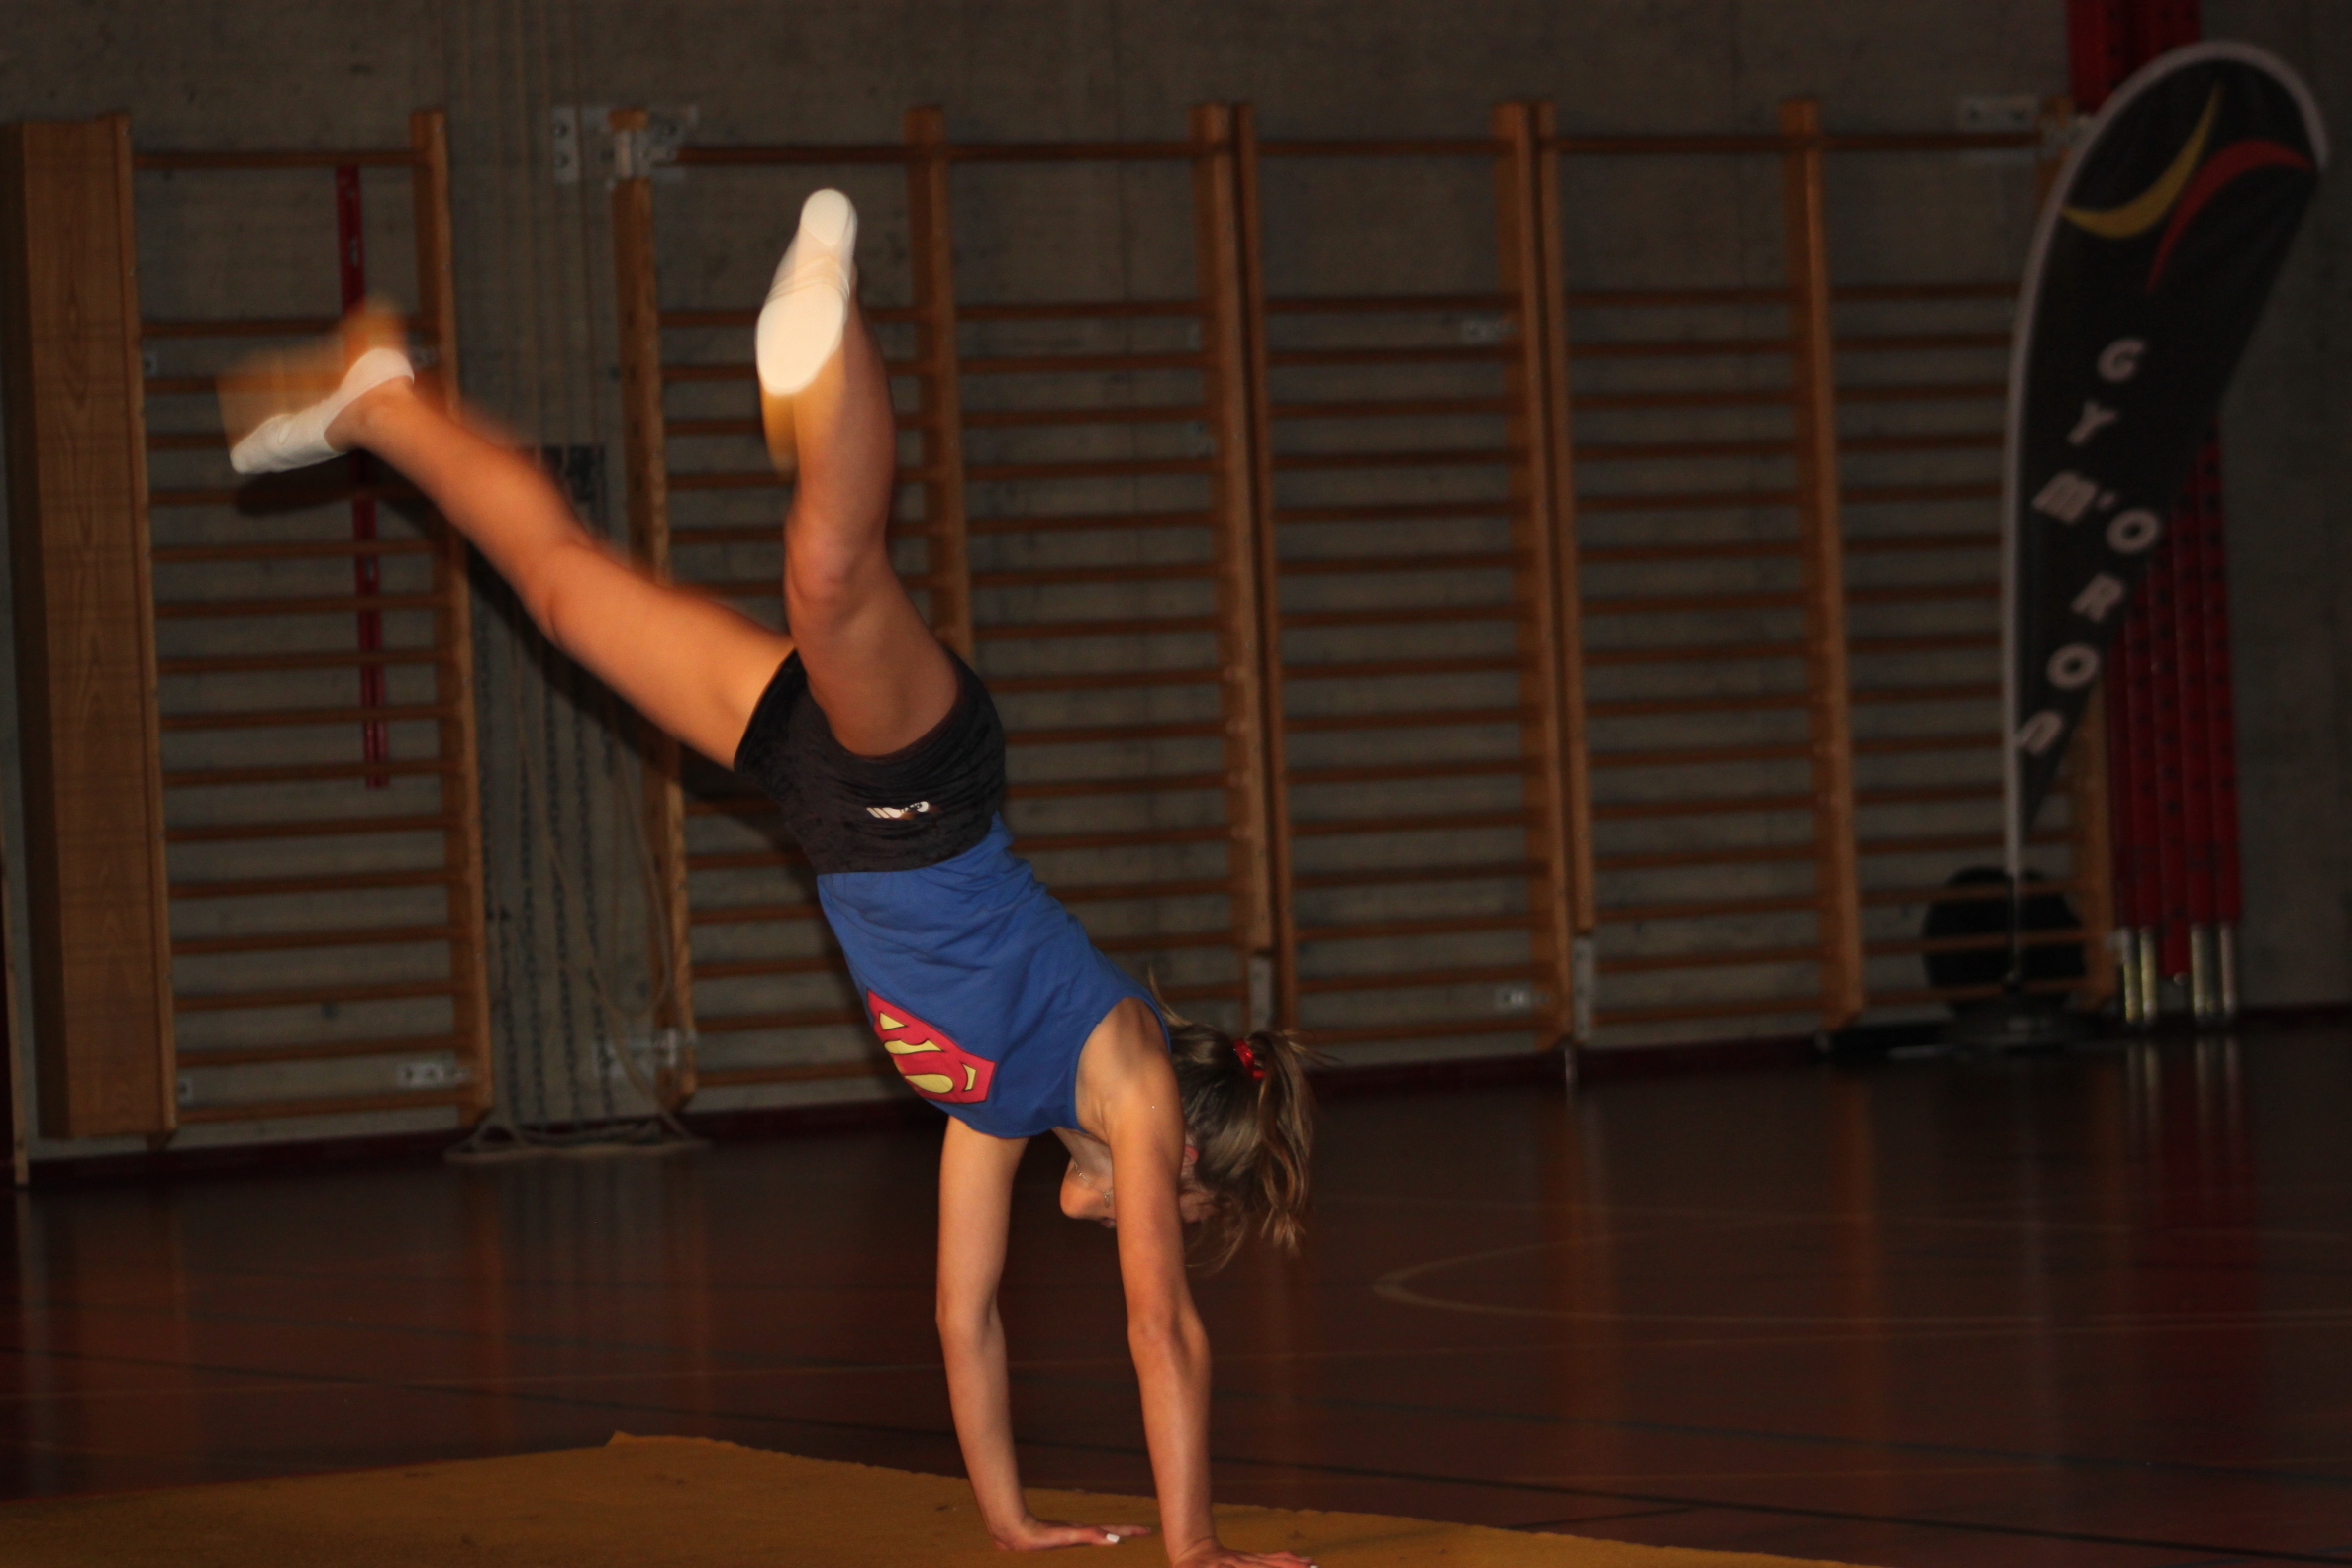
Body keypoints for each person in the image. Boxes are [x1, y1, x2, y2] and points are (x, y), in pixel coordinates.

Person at [225, 190, 1316, 1568]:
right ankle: (830, 313)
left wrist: (1010, 1520)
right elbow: (1162, 1331)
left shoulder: (999, 1105)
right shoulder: (1131, 1078)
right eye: (1188, 1213)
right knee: (828, 574)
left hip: (820, 799)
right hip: (926, 796)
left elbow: (963, 1320)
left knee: (560, 591)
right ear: (1188, 1166)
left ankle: (384, 404)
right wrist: (1193, 1553)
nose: (1153, 1227)